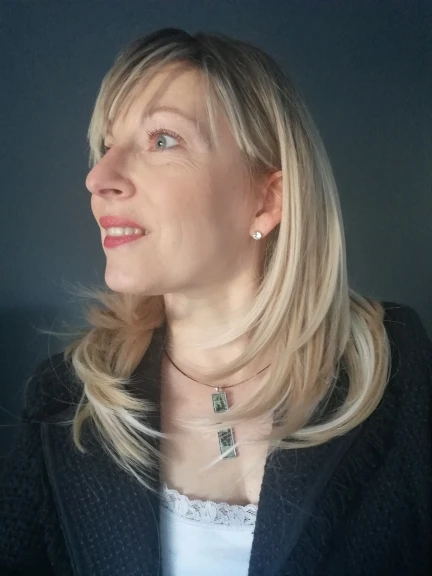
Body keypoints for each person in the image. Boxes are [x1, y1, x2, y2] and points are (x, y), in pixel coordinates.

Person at [1, 27, 430, 576]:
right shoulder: (63, 401)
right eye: (106, 147)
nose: (98, 177)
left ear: (266, 198)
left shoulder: (395, 368)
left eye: (162, 140)